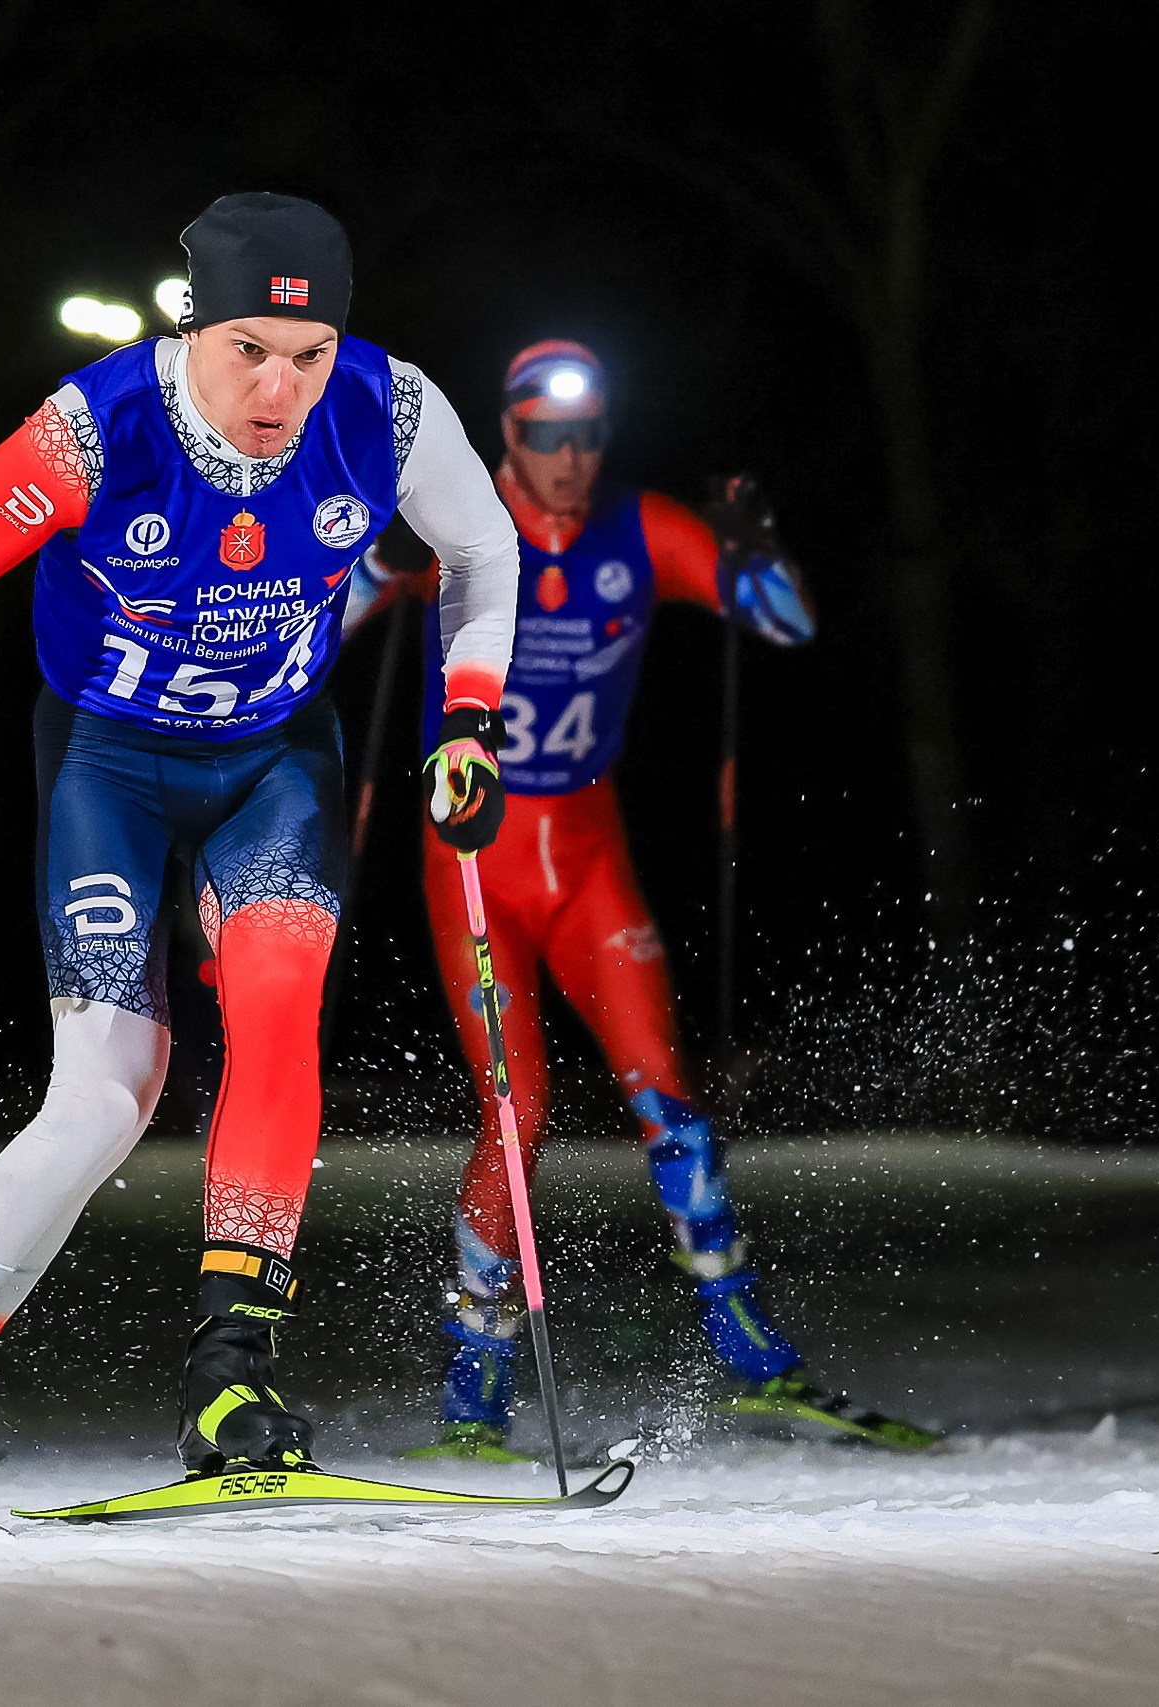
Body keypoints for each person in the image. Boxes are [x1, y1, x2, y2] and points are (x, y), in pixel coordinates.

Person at [0, 191, 520, 1530]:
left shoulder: (389, 406)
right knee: (111, 1086)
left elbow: (483, 545)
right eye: (250, 349)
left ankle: (233, 1373)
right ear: (194, 325)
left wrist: (469, 718)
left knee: (279, 1007)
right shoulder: (95, 429)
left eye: (306, 356)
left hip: (273, 757)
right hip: (108, 764)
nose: (279, 388)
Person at [352, 339, 936, 1455]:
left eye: (585, 436)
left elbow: (785, 624)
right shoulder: (462, 517)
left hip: (588, 854)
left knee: (667, 1097)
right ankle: (471, 1398)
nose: (568, 458)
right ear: (506, 436)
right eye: (542, 437)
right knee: (517, 1114)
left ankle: (753, 1358)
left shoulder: (638, 527)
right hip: (472, 860)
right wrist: (383, 562)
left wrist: (754, 545)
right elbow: (321, 630)